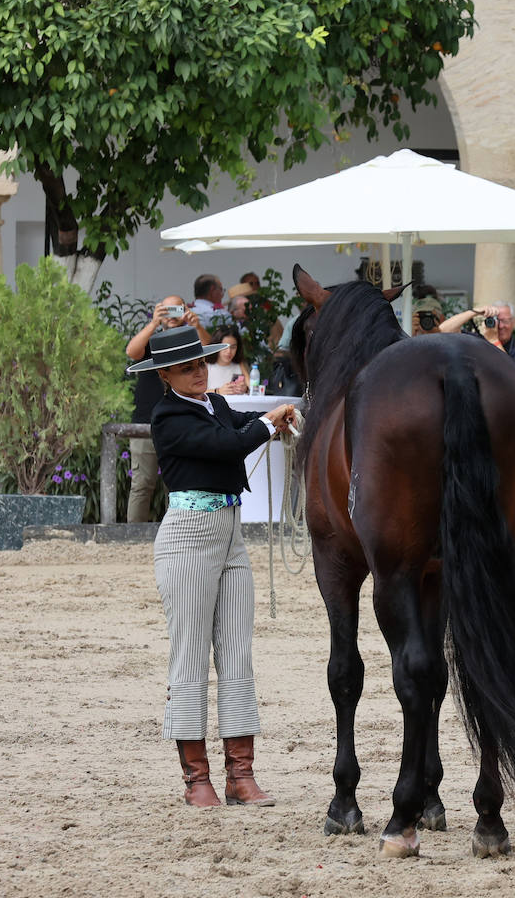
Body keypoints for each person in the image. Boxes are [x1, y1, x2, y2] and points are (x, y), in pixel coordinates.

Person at [126, 325, 295, 809]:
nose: (199, 372)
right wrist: (266, 424)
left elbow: (237, 432)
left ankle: (241, 775)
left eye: (201, 364)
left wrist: (270, 421)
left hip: (230, 533)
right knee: (190, 656)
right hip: (187, 538)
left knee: (238, 652)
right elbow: (227, 446)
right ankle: (196, 779)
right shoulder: (167, 417)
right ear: (164, 375)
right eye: (186, 368)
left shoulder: (215, 405)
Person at [124, 296, 213, 523]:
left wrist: (196, 325)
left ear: (186, 311)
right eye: (168, 309)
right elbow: (132, 352)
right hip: (146, 420)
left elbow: (209, 353)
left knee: (178, 482)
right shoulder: (154, 340)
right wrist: (154, 323)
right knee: (142, 484)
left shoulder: (190, 340)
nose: (173, 315)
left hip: (182, 420)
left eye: (178, 309)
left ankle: (177, 528)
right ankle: (133, 535)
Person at [205, 327, 250, 396]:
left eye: (233, 347)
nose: (229, 352)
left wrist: (245, 389)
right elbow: (195, 393)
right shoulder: (206, 365)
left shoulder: (240, 364)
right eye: (224, 347)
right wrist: (218, 391)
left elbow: (252, 388)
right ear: (216, 346)